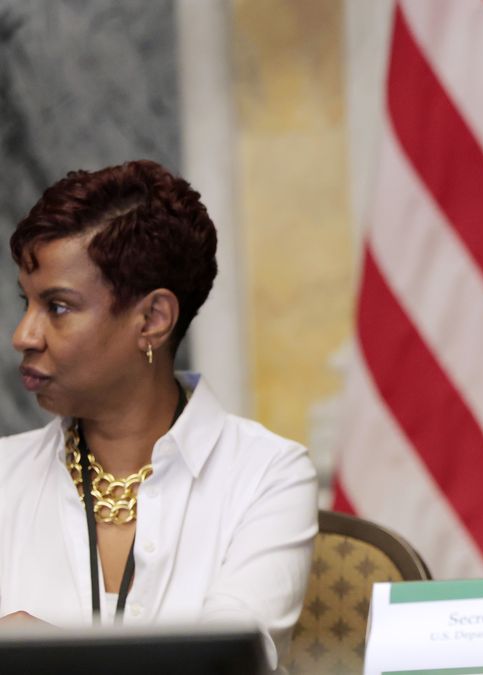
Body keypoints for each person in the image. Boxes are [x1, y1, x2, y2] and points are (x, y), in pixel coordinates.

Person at [0, 160, 318, 668]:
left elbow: (225, 667)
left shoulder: (267, 475)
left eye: (57, 307)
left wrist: (45, 658)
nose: (24, 335)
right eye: (27, 303)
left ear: (152, 318)